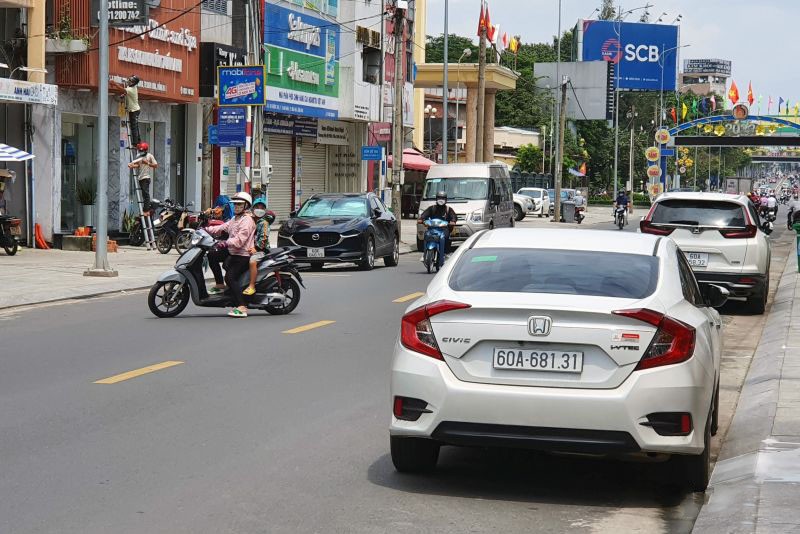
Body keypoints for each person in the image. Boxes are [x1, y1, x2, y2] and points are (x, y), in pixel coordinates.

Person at [205, 191, 256, 318]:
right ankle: (219, 284)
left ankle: (242, 306)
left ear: (246, 206)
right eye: (235, 204)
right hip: (233, 251)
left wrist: (225, 243)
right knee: (212, 255)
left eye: (240, 204)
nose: (237, 207)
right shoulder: (235, 219)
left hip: (242, 255)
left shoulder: (247, 221)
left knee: (230, 277)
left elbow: (240, 240)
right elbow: (222, 227)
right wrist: (204, 230)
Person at [243, 198, 275, 296]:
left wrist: (256, 249)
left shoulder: (264, 223)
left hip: (261, 250)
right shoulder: (251, 220)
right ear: (252, 209)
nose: (259, 209)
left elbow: (264, 238)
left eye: (262, 208)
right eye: (257, 207)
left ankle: (252, 286)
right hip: (250, 248)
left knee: (252, 262)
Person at [417, 190, 457, 268]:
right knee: (426, 235)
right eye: (439, 198)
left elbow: (453, 218)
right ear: (436, 199)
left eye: (442, 198)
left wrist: (452, 221)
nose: (440, 200)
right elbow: (423, 216)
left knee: (445, 237)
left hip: (443, 230)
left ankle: (445, 254)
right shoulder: (432, 208)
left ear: (446, 199)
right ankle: (425, 253)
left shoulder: (448, 209)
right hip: (432, 229)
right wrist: (421, 219)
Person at [127, 142, 157, 215]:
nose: (141, 152)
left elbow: (155, 165)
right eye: (140, 150)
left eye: (142, 151)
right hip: (140, 177)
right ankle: (146, 209)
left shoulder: (150, 156)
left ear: (146, 150)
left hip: (146, 177)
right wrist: (132, 166)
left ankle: (146, 210)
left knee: (146, 194)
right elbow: (138, 165)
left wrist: (147, 163)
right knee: (144, 194)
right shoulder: (138, 155)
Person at [112, 75, 142, 147]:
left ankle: (136, 143)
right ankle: (138, 141)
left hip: (134, 110)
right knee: (135, 126)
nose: (129, 81)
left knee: (133, 127)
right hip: (134, 110)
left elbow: (123, 89)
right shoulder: (131, 87)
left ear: (134, 83)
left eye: (131, 80)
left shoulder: (132, 89)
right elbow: (126, 92)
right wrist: (124, 95)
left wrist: (114, 84)